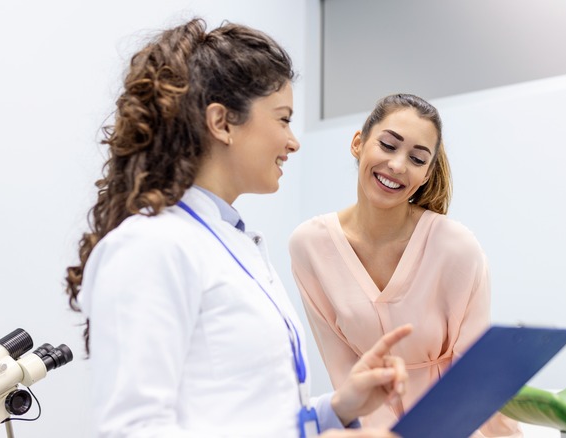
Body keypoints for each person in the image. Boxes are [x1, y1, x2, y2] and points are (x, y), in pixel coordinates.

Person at [64, 18, 412, 438]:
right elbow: (132, 431)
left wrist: (335, 410)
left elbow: (243, 412)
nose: (293, 141)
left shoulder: (231, 242)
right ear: (222, 123)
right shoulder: (150, 246)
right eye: (283, 119)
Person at [289, 94, 522, 437]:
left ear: (427, 173)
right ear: (358, 143)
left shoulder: (457, 248)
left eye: (416, 158)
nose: (398, 165)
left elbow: (475, 375)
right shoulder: (309, 246)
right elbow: (344, 371)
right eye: (388, 145)